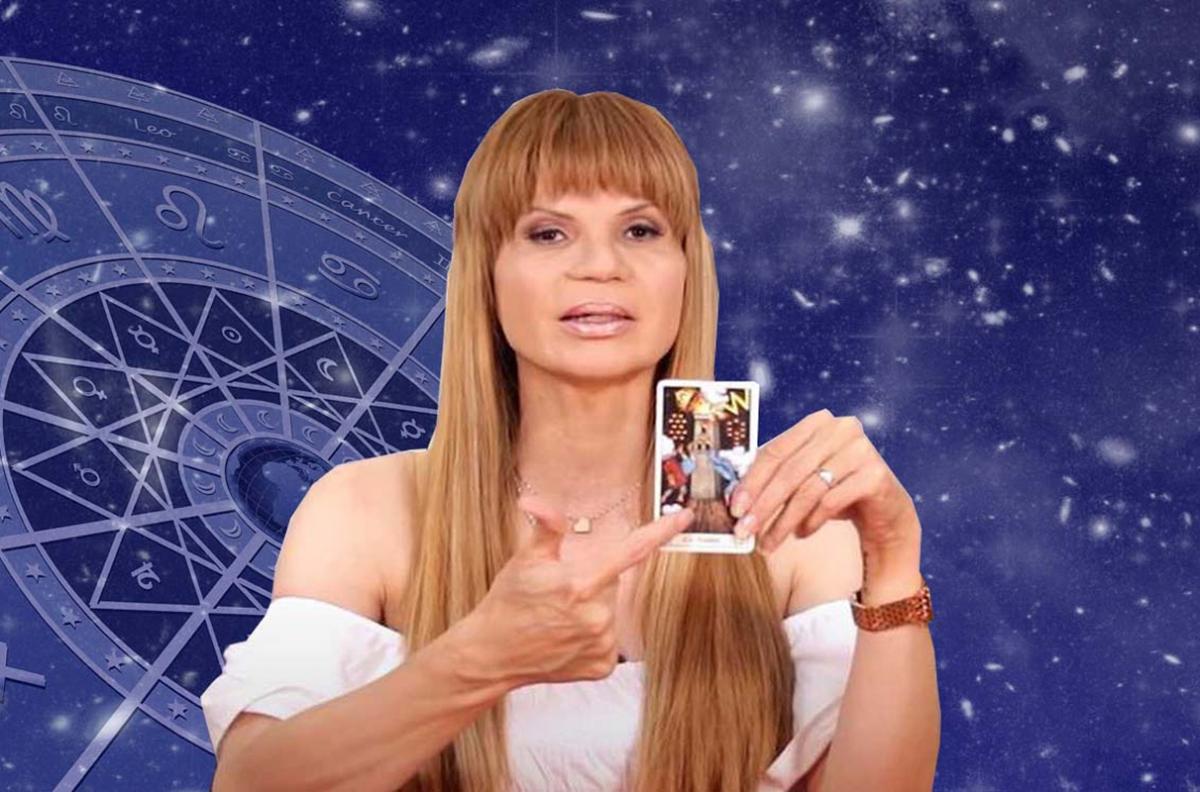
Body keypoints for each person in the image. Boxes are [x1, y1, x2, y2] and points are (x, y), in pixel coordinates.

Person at [201, 89, 935, 792]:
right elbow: (251, 782)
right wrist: (477, 661)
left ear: (687, 269)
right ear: (487, 275)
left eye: (641, 230)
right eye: (548, 233)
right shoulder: (365, 507)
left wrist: (895, 564)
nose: (601, 265)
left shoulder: (778, 516)